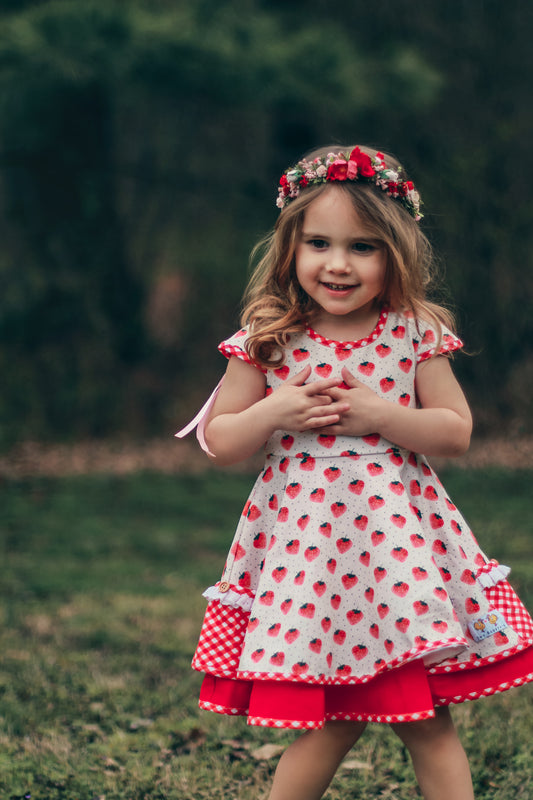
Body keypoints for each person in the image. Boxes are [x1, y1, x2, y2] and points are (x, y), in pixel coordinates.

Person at [176, 145, 533, 800]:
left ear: (395, 253)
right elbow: (221, 442)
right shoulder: (266, 337)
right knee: (328, 724)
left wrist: (381, 414)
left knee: (426, 719)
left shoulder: (413, 333)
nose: (337, 264)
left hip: (399, 564)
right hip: (307, 569)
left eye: (362, 247)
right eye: (318, 242)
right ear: (290, 247)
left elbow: (454, 431)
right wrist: (276, 408)